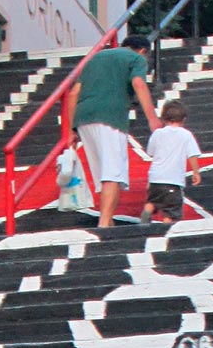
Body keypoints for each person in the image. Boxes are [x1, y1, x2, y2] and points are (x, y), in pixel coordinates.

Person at [65, 33, 158, 230]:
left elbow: (73, 93)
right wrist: (152, 118)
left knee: (104, 175)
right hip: (111, 117)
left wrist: (70, 130)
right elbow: (139, 83)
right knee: (113, 173)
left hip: (84, 118)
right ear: (143, 51)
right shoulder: (137, 58)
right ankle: (104, 222)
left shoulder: (95, 58)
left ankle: (108, 219)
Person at [141, 102, 201, 223]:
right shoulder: (186, 135)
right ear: (184, 119)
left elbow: (150, 152)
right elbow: (192, 154)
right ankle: (166, 227)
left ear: (163, 118)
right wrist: (196, 172)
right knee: (172, 212)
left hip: (155, 179)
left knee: (152, 202)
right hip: (173, 181)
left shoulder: (157, 133)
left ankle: (147, 211)